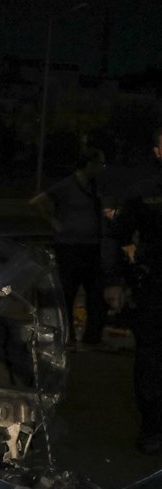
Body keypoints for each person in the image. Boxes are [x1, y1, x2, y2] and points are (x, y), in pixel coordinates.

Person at [109, 128, 162, 455]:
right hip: (155, 288)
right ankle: (154, 429)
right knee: (151, 360)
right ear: (157, 152)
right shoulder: (144, 192)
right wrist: (114, 280)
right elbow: (116, 237)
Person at [30, 147, 108, 349]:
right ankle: (67, 336)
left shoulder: (93, 185)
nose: (102, 168)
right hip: (71, 245)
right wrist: (54, 222)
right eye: (100, 163)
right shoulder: (67, 185)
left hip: (91, 245)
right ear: (89, 164)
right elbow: (38, 202)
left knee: (95, 292)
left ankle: (92, 336)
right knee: (68, 291)